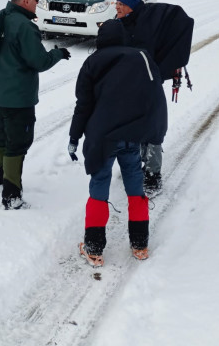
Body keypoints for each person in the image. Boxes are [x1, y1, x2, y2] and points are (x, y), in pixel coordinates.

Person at [68, 18, 167, 266]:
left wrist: (74, 136)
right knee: (135, 184)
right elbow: (154, 94)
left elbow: (84, 105)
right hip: (132, 134)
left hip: (103, 135)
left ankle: (94, 248)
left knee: (100, 184)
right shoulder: (141, 58)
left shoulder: (92, 62)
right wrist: (153, 130)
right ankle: (140, 244)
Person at [0, 0, 70, 210]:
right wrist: (58, 54)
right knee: (18, 141)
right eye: (37, 1)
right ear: (27, 1)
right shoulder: (25, 26)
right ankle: (11, 196)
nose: (38, 5)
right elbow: (39, 61)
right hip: (18, 97)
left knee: (1, 134)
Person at [115, 0, 194, 197]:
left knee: (152, 128)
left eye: (122, 4)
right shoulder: (123, 24)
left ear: (132, 6)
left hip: (149, 85)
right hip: (128, 86)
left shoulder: (145, 25)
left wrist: (159, 70)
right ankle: (134, 166)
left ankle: (152, 175)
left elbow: (180, 21)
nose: (117, 7)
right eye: (117, 4)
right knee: (131, 126)